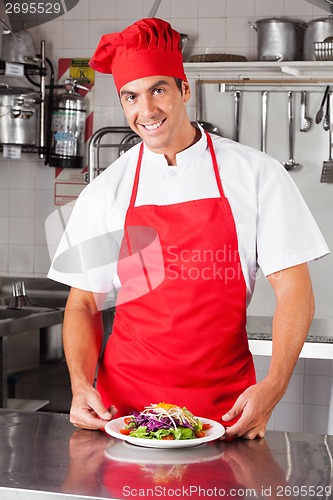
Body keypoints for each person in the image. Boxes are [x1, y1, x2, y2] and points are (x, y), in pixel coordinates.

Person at [48, 18, 329, 439]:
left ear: (184, 89)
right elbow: (84, 303)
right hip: (125, 414)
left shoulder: (256, 175)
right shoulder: (106, 189)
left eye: (158, 90)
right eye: (131, 97)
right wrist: (80, 385)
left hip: (225, 413)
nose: (146, 111)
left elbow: (295, 290)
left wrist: (272, 387)